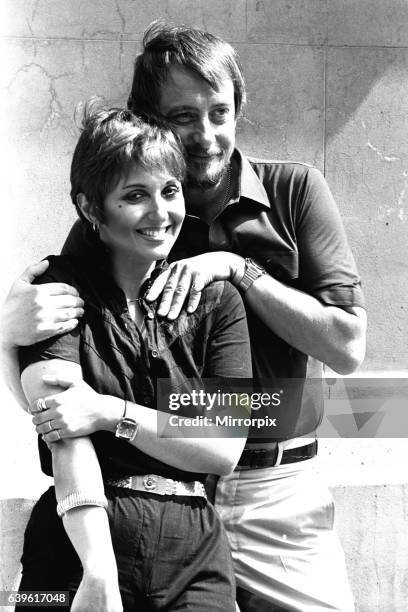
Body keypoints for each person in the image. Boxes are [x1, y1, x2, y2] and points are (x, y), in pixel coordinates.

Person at [2, 22, 367, 612]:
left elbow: (348, 349)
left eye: (219, 112)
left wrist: (238, 270)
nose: (205, 135)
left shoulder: (295, 190)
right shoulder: (106, 230)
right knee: (40, 603)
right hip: (136, 503)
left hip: (271, 492)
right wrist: (5, 336)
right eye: (182, 117)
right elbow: (60, 393)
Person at [14, 103, 252, 611]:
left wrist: (110, 412)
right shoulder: (55, 292)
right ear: (91, 208)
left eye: (169, 191)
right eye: (135, 196)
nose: (160, 212)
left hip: (195, 549)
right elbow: (62, 429)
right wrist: (98, 571)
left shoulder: (217, 302)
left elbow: (224, 447)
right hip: (72, 541)